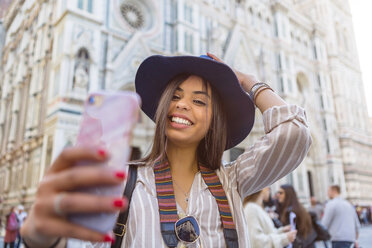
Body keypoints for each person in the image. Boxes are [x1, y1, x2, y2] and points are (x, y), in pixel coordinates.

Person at [20, 53, 312, 247]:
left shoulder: (233, 181)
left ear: (214, 122)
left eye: (199, 101)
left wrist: (249, 83)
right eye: (174, 96)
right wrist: (40, 234)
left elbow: (294, 133)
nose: (182, 104)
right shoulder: (123, 184)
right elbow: (72, 237)